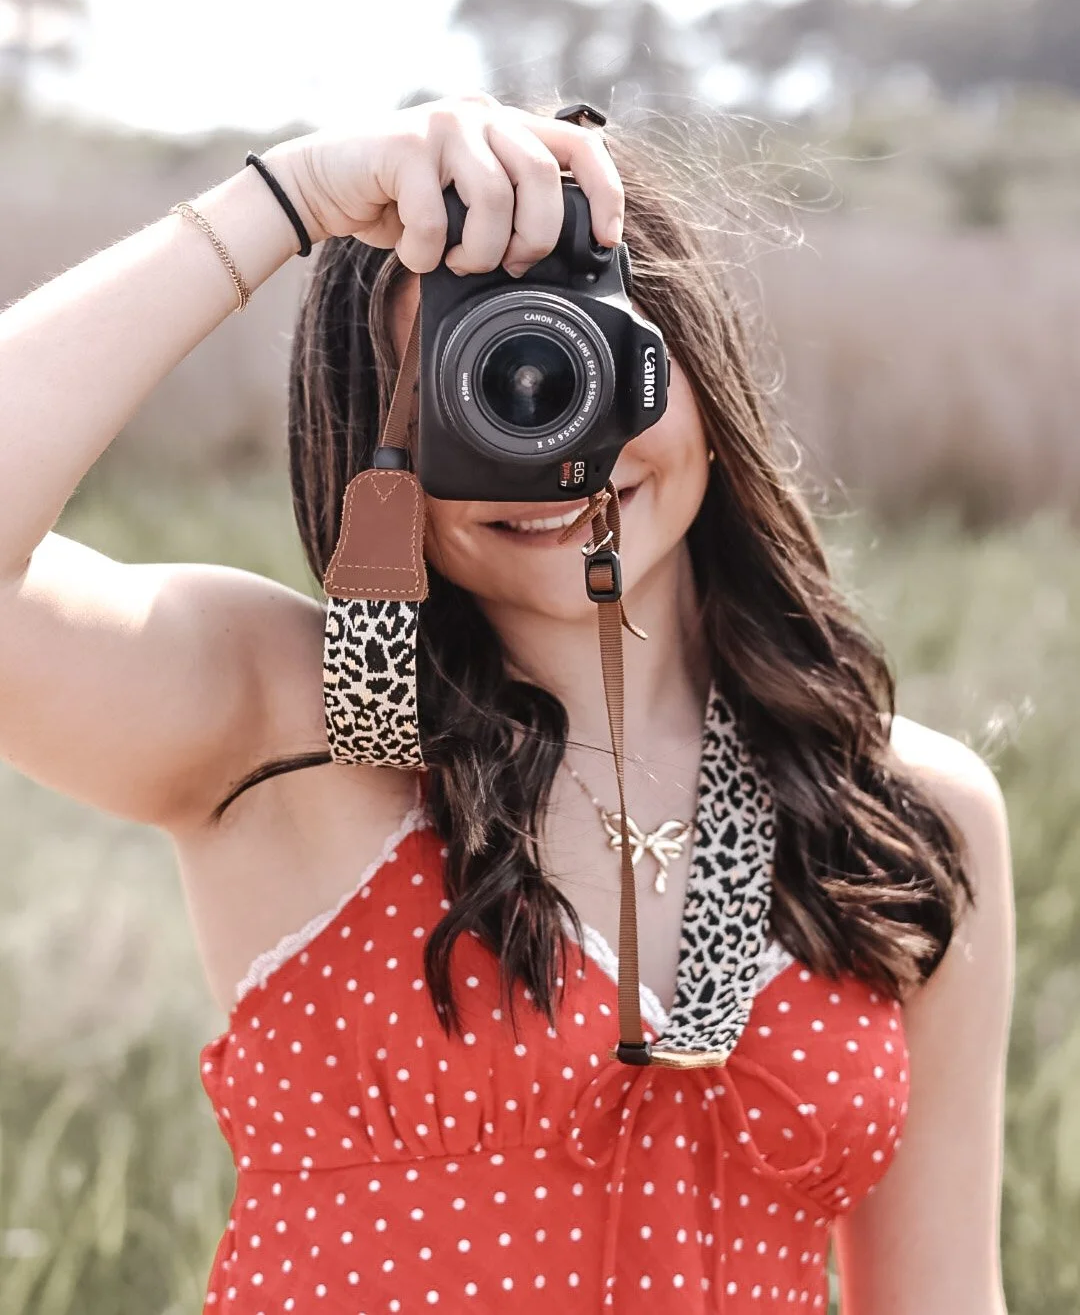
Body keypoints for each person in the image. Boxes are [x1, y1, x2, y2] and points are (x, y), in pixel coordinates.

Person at [0, 93, 1013, 1313]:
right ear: (377, 449)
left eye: (575, 363)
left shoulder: (901, 809)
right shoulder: (294, 726)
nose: (547, 443)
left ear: (684, 363)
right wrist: (288, 201)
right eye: (475, 388)